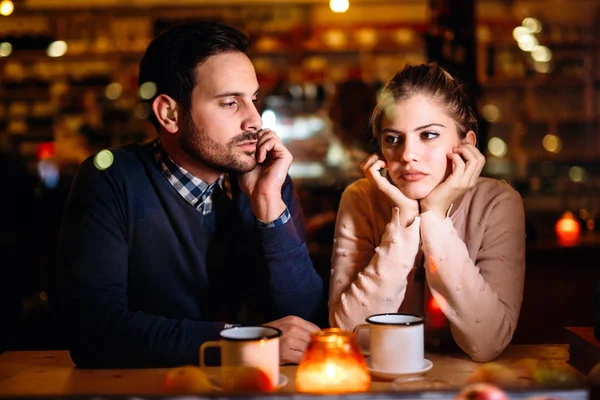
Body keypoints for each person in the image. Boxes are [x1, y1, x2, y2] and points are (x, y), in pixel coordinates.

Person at [57, 21, 323, 368]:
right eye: (230, 103)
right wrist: (249, 343)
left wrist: (270, 210)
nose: (255, 120)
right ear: (170, 114)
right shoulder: (113, 180)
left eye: (253, 99)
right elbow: (94, 333)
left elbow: (307, 322)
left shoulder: (265, 180)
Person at [328, 63, 525, 362]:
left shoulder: (498, 202)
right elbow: (346, 338)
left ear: (465, 144)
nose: (407, 155)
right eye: (393, 138)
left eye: (428, 135)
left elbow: (488, 342)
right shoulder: (360, 199)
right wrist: (405, 223)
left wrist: (434, 217)